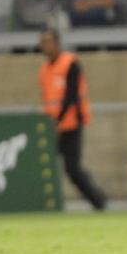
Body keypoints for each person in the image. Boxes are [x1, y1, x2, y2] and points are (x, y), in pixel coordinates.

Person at [38, 28, 106, 210]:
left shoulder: (70, 64)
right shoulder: (44, 69)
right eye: (43, 42)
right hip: (52, 126)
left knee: (72, 168)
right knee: (42, 164)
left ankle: (98, 201)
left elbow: (71, 96)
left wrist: (57, 120)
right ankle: (43, 204)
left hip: (71, 124)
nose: (45, 46)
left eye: (48, 41)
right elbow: (47, 98)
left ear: (57, 43)